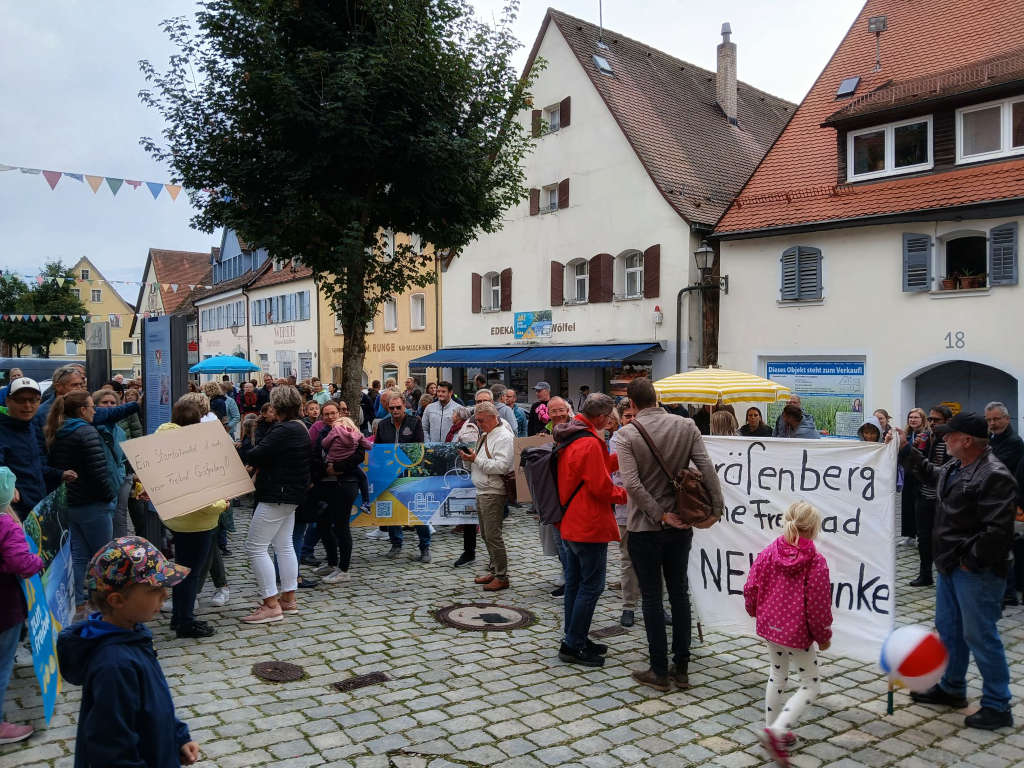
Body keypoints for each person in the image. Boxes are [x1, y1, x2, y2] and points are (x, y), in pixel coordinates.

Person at [893, 412, 1016, 730]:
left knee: (980, 635)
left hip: (976, 571)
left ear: (966, 441)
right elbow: (932, 475)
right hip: (950, 565)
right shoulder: (956, 466)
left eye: (949, 435)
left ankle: (997, 704)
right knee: (948, 628)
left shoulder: (994, 474)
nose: (943, 438)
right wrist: (906, 450)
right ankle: (952, 687)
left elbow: (998, 532)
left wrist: (968, 561)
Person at [617, 377, 723, 691]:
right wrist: (716, 509)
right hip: (682, 524)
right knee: (679, 593)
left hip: (646, 526)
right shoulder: (686, 426)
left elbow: (632, 485)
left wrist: (660, 514)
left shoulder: (627, 434)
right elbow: (707, 469)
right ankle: (682, 667)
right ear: (657, 397)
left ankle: (659, 670)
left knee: (651, 598)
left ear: (632, 405)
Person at [57, 536, 200, 767]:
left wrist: (177, 736)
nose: (165, 595)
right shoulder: (114, 665)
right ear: (117, 600)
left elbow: (152, 704)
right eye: (155, 589)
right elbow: (112, 750)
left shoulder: (134, 634)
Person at [744, 502, 832, 766]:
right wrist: (823, 635)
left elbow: (751, 586)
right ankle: (777, 731)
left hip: (770, 627)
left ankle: (771, 728)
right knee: (810, 684)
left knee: (777, 672)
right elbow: (818, 607)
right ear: (815, 530)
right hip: (797, 634)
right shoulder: (816, 562)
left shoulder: (770, 551)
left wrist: (753, 610)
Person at [553, 393, 626, 668]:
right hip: (589, 524)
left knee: (574, 584)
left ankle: (575, 636)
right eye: (609, 418)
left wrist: (623, 458)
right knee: (591, 586)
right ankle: (572, 645)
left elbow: (595, 470)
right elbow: (601, 488)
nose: (610, 422)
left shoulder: (573, 435)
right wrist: (627, 494)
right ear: (600, 417)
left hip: (571, 522)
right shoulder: (590, 443)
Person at [155, 398, 227, 638]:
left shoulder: (164, 439)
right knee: (190, 573)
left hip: (178, 518)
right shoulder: (189, 447)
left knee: (181, 569)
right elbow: (201, 495)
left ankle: (180, 617)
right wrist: (222, 505)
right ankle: (185, 621)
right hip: (197, 521)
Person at [239, 385, 310, 623]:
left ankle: (270, 604)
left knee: (255, 547)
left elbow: (255, 454)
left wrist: (247, 439)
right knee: (283, 545)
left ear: (276, 406)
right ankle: (288, 599)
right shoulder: (299, 427)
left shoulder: (283, 429)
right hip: (290, 495)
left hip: (277, 494)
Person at [46, 391, 118, 612]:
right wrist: (108, 496)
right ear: (82, 410)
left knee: (78, 555)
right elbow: (98, 471)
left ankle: (78, 601)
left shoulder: (57, 430)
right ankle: (103, 601)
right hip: (93, 503)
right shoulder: (86, 431)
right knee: (103, 555)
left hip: (71, 502)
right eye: (91, 406)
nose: (95, 411)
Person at [0, 467, 44, 744]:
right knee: (2, 665)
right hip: (5, 609)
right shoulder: (6, 524)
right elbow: (21, 563)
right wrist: (39, 560)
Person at [458, 402, 514, 592]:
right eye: (477, 420)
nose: (479, 423)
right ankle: (495, 569)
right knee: (487, 535)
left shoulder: (504, 436)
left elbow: (502, 466)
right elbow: (483, 463)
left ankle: (501, 576)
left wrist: (475, 459)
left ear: (493, 417)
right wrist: (470, 460)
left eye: (481, 420)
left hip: (493, 491)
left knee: (493, 535)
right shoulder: (486, 435)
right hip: (483, 489)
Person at [0, 377, 72, 520]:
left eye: (34, 400)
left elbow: (35, 465)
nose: (28, 406)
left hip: (37, 509)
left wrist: (59, 474)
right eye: (21, 400)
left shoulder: (31, 426)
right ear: (8, 401)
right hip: (13, 515)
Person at [308, 402, 363, 585]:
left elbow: (358, 456)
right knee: (323, 523)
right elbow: (315, 456)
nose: (330, 417)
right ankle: (332, 562)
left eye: (333, 413)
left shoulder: (349, 429)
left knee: (341, 526)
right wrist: (324, 470)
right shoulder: (322, 433)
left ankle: (344, 569)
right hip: (326, 484)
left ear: (339, 413)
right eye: (326, 414)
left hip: (346, 483)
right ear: (322, 417)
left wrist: (337, 468)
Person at [375, 392, 431, 561]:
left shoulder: (414, 422)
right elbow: (378, 449)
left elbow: (419, 447)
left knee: (417, 512)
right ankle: (396, 544)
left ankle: (425, 547)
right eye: (391, 408)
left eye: (398, 407)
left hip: (411, 474)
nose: (395, 410)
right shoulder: (383, 425)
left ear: (404, 406)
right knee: (392, 510)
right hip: (390, 474)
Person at [910, 405, 952, 587]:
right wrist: (916, 448)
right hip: (924, 496)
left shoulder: (951, 441)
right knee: (924, 538)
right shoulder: (927, 438)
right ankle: (925, 574)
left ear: (948, 422)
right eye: (931, 419)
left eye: (937, 420)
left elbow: (943, 472)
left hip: (943, 499)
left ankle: (946, 575)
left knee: (942, 539)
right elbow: (917, 467)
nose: (933, 423)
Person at [610, 402, 640, 627]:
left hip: (650, 509)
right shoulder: (616, 440)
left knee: (654, 561)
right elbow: (616, 476)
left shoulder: (649, 437)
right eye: (627, 416)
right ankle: (628, 606)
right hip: (625, 507)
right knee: (628, 558)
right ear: (620, 419)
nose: (631, 419)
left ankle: (655, 604)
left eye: (634, 415)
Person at [93, 388, 132, 539]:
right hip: (100, 488)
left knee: (119, 519)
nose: (109, 405)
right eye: (104, 402)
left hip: (119, 483)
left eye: (113, 402)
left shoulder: (120, 431)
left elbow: (121, 459)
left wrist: (123, 476)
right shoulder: (92, 429)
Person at [447, 406, 480, 567]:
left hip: (491, 481)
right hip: (467, 475)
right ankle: (469, 552)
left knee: (493, 524)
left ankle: (496, 560)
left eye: (486, 401)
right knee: (469, 516)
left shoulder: (502, 425)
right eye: (479, 402)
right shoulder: (468, 426)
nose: (482, 405)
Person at [322, 415, 372, 510]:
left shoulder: (335, 430)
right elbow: (369, 446)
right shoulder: (357, 434)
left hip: (332, 461)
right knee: (363, 477)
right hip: (350, 466)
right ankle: (366, 502)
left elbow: (324, 444)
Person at [900, 408, 928, 546]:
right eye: (910, 417)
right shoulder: (907, 435)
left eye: (916, 417)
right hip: (908, 475)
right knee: (907, 506)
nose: (913, 420)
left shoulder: (926, 435)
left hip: (921, 476)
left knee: (919, 507)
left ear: (923, 419)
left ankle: (919, 536)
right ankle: (909, 535)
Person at [985, 402, 1023, 473]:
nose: (992, 423)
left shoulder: (1014, 442)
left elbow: (994, 468)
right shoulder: (990, 436)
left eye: (996, 419)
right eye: (988, 420)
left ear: (1007, 419)